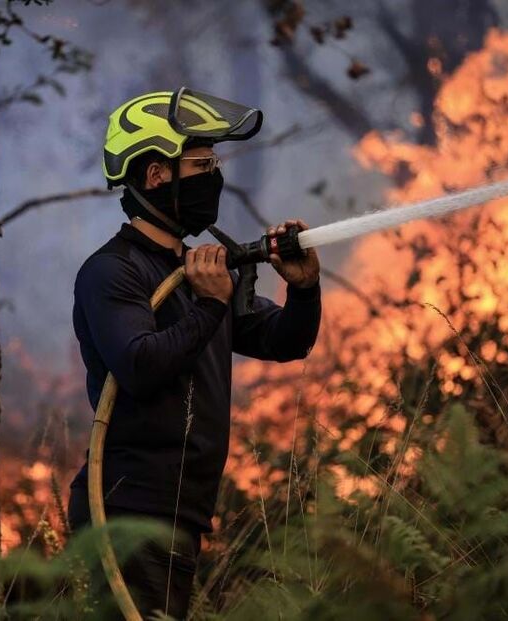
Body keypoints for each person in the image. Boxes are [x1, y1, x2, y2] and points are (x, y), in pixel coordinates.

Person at [67, 89, 321, 620]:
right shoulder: (113, 272)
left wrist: (303, 289)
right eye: (203, 164)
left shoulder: (200, 272)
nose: (215, 177)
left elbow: (285, 341)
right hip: (126, 513)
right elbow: (138, 366)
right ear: (157, 175)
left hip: (181, 512)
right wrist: (208, 307)